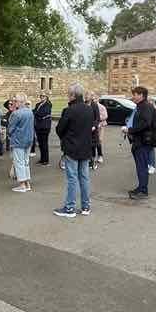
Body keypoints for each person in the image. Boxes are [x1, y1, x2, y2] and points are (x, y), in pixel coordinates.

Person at [53, 83, 96, 218]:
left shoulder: (69, 110)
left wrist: (66, 139)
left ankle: (70, 208)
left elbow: (60, 129)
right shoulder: (89, 109)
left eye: (68, 94)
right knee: (84, 178)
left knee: (72, 178)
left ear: (72, 95)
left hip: (72, 148)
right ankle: (85, 206)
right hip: (85, 148)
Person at [123, 86, 156, 199]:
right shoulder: (140, 106)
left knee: (142, 166)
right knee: (141, 166)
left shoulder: (146, 107)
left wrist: (130, 130)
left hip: (144, 141)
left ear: (141, 95)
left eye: (135, 94)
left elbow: (146, 123)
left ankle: (143, 191)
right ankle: (141, 187)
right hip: (139, 140)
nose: (133, 96)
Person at [7, 93, 34, 193]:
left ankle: (22, 184)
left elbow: (11, 128)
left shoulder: (16, 114)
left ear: (20, 102)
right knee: (25, 162)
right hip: (28, 140)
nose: (14, 103)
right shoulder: (30, 112)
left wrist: (10, 134)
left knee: (19, 162)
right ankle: (27, 183)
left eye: (15, 101)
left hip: (18, 140)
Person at [33, 93, 52, 165]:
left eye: (43, 96)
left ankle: (46, 160)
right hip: (38, 126)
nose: (42, 97)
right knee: (40, 144)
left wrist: (37, 114)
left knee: (44, 144)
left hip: (45, 127)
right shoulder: (38, 104)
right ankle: (42, 159)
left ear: (46, 97)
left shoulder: (48, 104)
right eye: (41, 96)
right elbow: (34, 111)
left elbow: (43, 113)